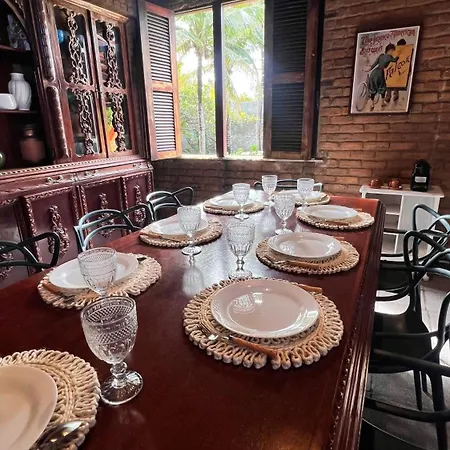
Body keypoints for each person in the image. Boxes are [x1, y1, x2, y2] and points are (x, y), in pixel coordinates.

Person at [367, 43, 399, 110]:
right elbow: (395, 60)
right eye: (392, 51)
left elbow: (375, 64)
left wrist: (369, 69)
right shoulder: (389, 57)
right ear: (390, 50)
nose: (393, 52)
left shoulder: (381, 55)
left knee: (373, 88)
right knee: (382, 87)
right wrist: (398, 55)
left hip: (374, 72)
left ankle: (372, 104)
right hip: (380, 73)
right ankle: (382, 103)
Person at [385, 39, 406, 103]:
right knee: (391, 82)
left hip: (397, 68)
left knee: (394, 81)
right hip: (393, 68)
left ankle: (391, 95)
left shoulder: (405, 51)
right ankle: (391, 95)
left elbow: (406, 61)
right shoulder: (395, 51)